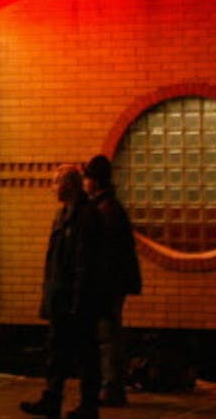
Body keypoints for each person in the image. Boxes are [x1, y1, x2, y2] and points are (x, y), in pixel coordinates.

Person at [21, 164, 104, 419]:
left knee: (84, 353)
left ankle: (87, 405)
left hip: (75, 299)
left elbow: (84, 263)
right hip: (62, 296)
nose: (52, 188)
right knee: (58, 352)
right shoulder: (64, 215)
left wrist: (78, 301)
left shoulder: (84, 217)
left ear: (68, 185)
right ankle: (53, 399)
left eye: (56, 182)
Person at [83, 154, 141, 406]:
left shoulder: (105, 211)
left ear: (94, 181)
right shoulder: (108, 207)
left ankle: (112, 386)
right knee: (108, 335)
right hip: (113, 283)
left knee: (108, 337)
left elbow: (105, 254)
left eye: (87, 178)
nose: (85, 183)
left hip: (107, 285)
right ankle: (111, 384)